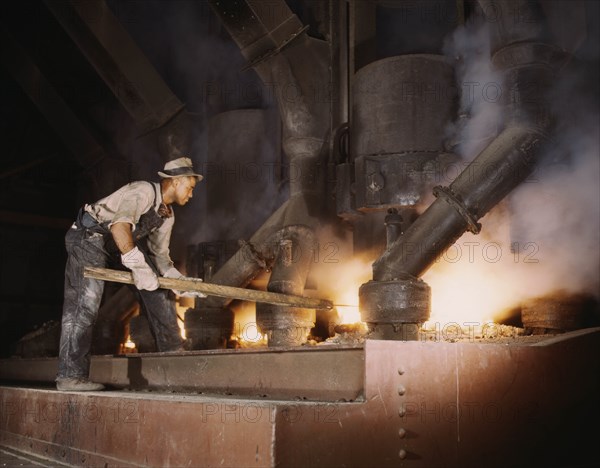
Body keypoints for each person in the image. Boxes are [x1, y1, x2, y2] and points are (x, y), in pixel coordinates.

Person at [56, 157, 205, 391]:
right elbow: (119, 226)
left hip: (118, 247)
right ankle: (70, 376)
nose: (191, 194)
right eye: (190, 187)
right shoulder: (143, 191)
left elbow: (160, 258)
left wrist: (180, 282)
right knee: (86, 302)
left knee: (159, 292)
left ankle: (175, 359)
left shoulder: (167, 215)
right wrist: (137, 264)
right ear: (175, 182)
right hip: (89, 238)